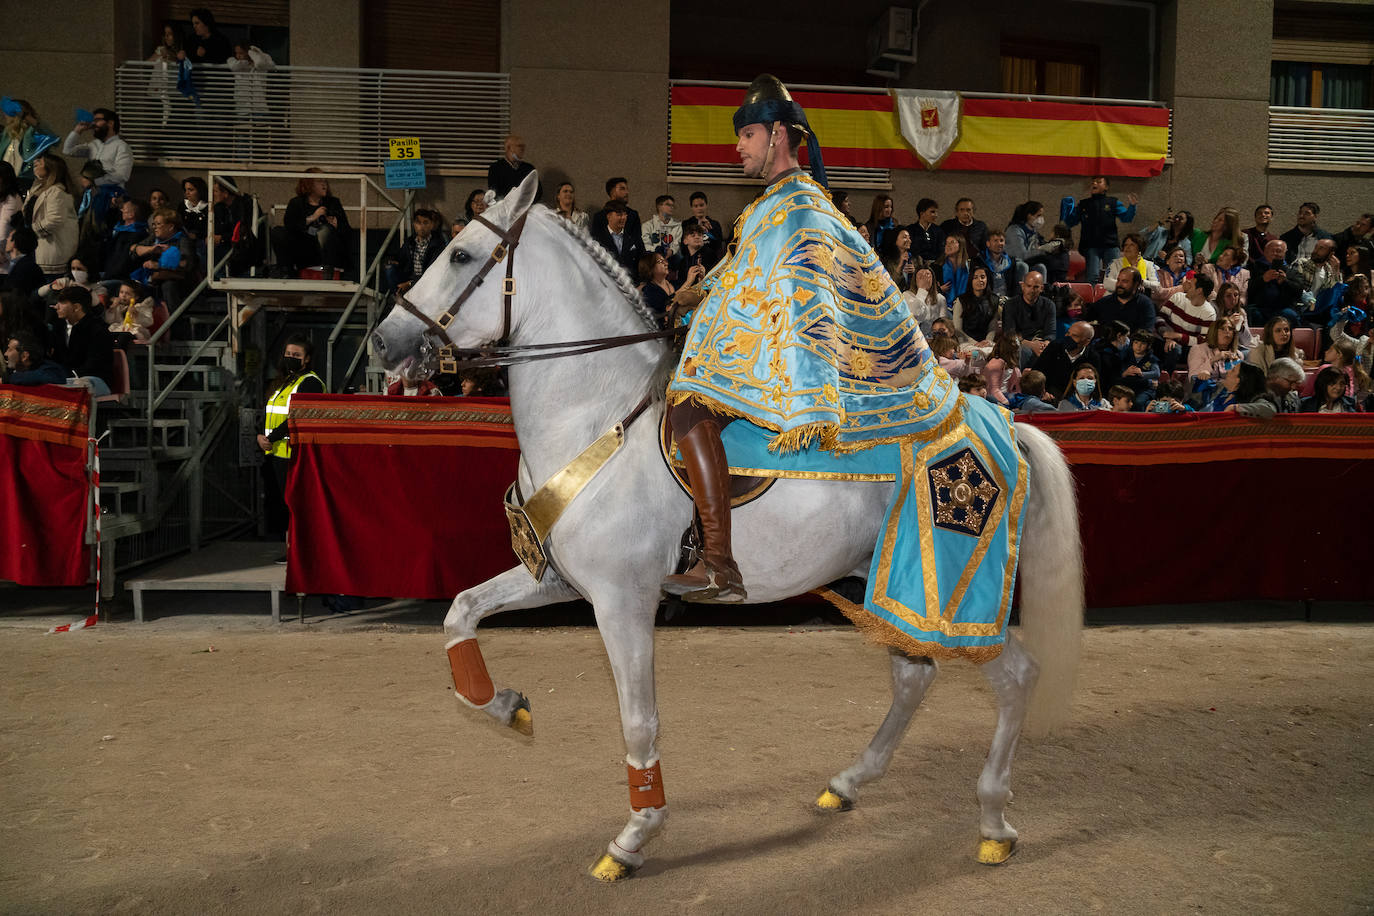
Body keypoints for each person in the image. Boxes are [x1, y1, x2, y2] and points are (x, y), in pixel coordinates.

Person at [664, 74, 947, 603]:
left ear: (775, 134)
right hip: (774, 347)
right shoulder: (778, 204)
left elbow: (787, 295)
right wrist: (690, 303)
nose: (738, 146)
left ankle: (720, 565)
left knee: (687, 411)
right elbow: (744, 279)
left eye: (746, 135)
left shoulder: (796, 208)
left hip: (789, 361)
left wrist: (721, 338)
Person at [256, 333, 325, 556]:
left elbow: (299, 416)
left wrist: (272, 437)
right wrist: (260, 436)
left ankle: (301, 552)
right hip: (275, 453)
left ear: (306, 359)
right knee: (284, 507)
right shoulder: (283, 382)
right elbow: (268, 414)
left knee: (298, 506)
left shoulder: (310, 382)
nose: (290, 357)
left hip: (296, 454)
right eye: (288, 354)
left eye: (296, 355)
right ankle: (292, 550)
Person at [271, 170, 350, 276]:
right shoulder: (296, 203)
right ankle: (286, 269)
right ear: (309, 184)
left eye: (325, 181)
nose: (324, 184)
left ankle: (328, 270)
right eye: (319, 181)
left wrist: (336, 225)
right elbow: (290, 226)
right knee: (277, 231)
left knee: (325, 230)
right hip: (304, 246)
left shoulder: (332, 202)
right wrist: (312, 218)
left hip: (326, 249)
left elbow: (347, 230)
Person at [1063, 176, 1138, 283]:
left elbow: (1126, 218)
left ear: (1106, 187)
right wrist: (1067, 209)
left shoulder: (1113, 202)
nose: (1095, 184)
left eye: (1099, 182)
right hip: (1091, 245)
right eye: (1093, 182)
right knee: (1093, 276)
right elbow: (1071, 222)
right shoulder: (1084, 204)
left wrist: (1132, 206)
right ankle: (1092, 299)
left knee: (1113, 276)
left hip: (1110, 245)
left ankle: (1113, 298)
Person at [48, 285, 114, 396]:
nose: (56, 307)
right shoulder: (59, 327)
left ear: (76, 307)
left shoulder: (98, 329)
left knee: (76, 385)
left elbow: (95, 364)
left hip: (94, 379)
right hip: (66, 378)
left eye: (62, 303)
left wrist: (68, 375)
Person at [132, 207, 198, 311]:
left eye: (158, 224)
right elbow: (133, 250)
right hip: (155, 280)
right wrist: (151, 249)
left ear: (170, 226)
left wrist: (158, 265)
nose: (155, 228)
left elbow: (186, 264)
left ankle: (173, 322)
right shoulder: (154, 238)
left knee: (169, 285)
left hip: (180, 283)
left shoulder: (183, 240)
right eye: (154, 224)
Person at [24, 151, 79, 278]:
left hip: (52, 250)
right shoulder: (37, 189)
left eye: (40, 162)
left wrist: (32, 231)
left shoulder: (57, 192)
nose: (35, 164)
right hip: (36, 248)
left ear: (51, 168)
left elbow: (54, 220)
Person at [61, 108, 132, 189]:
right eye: (93, 120)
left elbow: (122, 175)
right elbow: (68, 150)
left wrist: (94, 182)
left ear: (110, 123)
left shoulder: (122, 146)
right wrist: (78, 130)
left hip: (111, 196)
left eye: (97, 120)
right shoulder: (93, 144)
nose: (93, 124)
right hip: (91, 193)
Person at [0, 97, 59, 191]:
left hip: (27, 183)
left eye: (9, 112)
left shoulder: (33, 132)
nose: (4, 115)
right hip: (5, 184)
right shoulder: (6, 135)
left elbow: (55, 140)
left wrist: (27, 117)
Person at [1032, 320, 1098, 400]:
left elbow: (1096, 384)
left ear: (1086, 342)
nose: (1068, 337)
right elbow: (1038, 372)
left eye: (1074, 336)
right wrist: (1043, 392)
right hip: (1050, 395)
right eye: (1068, 333)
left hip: (1078, 397)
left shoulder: (1093, 357)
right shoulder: (1054, 347)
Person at [1246, 238, 1303, 327]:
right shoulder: (1253, 267)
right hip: (1259, 307)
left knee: (1290, 315)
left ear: (1284, 253)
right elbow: (1247, 289)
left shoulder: (1291, 270)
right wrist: (1263, 279)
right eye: (1272, 251)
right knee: (1254, 314)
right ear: (1265, 252)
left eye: (1279, 251)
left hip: (1283, 307)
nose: (1275, 254)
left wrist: (1285, 282)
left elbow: (1299, 291)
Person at [1188, 318, 1244, 404]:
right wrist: (1213, 360)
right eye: (1222, 329)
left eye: (1230, 329)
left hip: (1230, 398)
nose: (1227, 332)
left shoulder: (1238, 355)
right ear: (1214, 332)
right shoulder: (1198, 349)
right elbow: (1192, 377)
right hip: (1204, 398)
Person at [390, 208, 443, 294]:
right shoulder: (410, 242)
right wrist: (394, 262)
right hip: (410, 278)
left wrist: (411, 283)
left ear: (431, 225)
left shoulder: (437, 245)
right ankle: (396, 297)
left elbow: (433, 273)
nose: (421, 226)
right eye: (418, 223)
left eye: (425, 222)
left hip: (427, 281)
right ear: (414, 224)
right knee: (390, 269)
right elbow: (400, 259)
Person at [1290, 237, 1342, 325]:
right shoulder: (1301, 263)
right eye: (1316, 247)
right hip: (1300, 306)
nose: (1315, 251)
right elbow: (1295, 286)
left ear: (1330, 254)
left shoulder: (1329, 270)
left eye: (1321, 248)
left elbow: (1337, 293)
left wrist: (1336, 271)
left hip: (1319, 310)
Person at [1231, 358, 1303, 417]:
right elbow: (1269, 409)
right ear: (1275, 377)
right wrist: (1235, 408)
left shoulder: (1292, 397)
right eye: (1291, 382)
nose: (1294, 387)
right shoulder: (1256, 391)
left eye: (1296, 383)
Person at [589, 199, 645, 274]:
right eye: (619, 215)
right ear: (609, 216)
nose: (623, 218)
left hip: (632, 282)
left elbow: (642, 260)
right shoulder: (597, 238)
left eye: (625, 214)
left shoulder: (633, 237)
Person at [1005, 200, 1054, 282]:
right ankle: (1019, 293)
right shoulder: (1014, 230)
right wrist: (1042, 251)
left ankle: (1042, 292)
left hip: (1028, 262)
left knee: (1041, 267)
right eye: (1038, 215)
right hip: (1013, 264)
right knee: (1023, 266)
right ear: (1029, 215)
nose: (1041, 219)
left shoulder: (1033, 231)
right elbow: (1021, 255)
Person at [1096, 266, 1156, 333]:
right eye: (1118, 280)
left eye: (1125, 281)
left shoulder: (1145, 304)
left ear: (1136, 284)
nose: (1119, 284)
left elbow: (1146, 331)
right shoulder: (1104, 302)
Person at [1002, 270, 1055, 344]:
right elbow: (1009, 333)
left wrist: (1045, 345)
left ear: (1042, 288)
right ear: (1022, 286)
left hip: (1041, 344)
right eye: (1029, 286)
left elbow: (1050, 333)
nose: (1032, 290)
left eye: (1036, 287)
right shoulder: (1011, 304)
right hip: (1019, 344)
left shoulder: (1049, 305)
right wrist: (1031, 345)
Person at [953, 263, 1000, 346]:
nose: (980, 280)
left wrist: (987, 341)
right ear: (971, 280)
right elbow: (957, 329)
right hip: (965, 342)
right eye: (975, 278)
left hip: (986, 343)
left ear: (987, 279)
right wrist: (975, 343)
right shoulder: (961, 300)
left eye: (983, 277)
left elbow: (992, 327)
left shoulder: (994, 300)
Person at [589, 177, 642, 246]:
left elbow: (638, 243)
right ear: (612, 191)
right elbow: (596, 243)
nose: (627, 192)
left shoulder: (633, 215)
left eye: (627, 189)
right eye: (622, 189)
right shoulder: (599, 216)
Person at [1117, 329, 1161, 408]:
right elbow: (1117, 371)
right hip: (1128, 387)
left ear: (1148, 345)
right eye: (1136, 342)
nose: (1138, 346)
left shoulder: (1151, 358)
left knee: (1138, 402)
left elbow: (1156, 373)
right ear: (1132, 343)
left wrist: (1142, 373)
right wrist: (1124, 373)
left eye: (1143, 343)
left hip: (1145, 389)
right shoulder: (1125, 355)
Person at [486, 134, 539, 200]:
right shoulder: (496, 168)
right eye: (519, 146)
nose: (523, 149)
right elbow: (493, 191)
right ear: (508, 148)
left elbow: (538, 191)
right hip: (504, 207)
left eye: (524, 146)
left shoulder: (529, 168)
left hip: (525, 207)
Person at [636, 252, 677, 327]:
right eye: (660, 262)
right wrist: (688, 282)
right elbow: (668, 306)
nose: (666, 263)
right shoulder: (649, 290)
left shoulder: (673, 284)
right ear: (650, 268)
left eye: (664, 260)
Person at [982, 332, 1022, 407]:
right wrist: (1007, 403)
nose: (1018, 351)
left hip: (1007, 395)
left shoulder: (1010, 364)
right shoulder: (996, 364)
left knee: (1027, 399)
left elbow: (1016, 389)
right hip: (995, 399)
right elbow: (993, 389)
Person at [904, 265, 945, 334]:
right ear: (915, 280)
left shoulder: (940, 298)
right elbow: (915, 314)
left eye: (927, 275)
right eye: (920, 276)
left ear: (933, 280)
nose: (924, 278)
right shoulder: (907, 295)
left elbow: (944, 323)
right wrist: (922, 289)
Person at [686, 191, 726, 263]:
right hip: (692, 258)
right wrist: (698, 227)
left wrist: (709, 231)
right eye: (696, 206)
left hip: (711, 258)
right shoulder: (686, 224)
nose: (699, 208)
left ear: (706, 205)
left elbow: (718, 246)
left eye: (701, 205)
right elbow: (684, 245)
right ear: (692, 208)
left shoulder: (714, 224)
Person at [977, 229, 1017, 298]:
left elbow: (1013, 285)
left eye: (1001, 240)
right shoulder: (980, 261)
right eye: (995, 240)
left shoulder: (1011, 261)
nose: (999, 244)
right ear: (988, 244)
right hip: (987, 299)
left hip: (1006, 299)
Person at [3, 228, 43, 298]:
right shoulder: (21, 263)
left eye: (9, 237)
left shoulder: (26, 267)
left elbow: (15, 293)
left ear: (14, 243)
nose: (7, 239)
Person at [642, 195, 682, 259]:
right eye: (668, 204)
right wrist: (658, 251)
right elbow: (646, 244)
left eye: (672, 205)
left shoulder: (677, 226)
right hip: (652, 256)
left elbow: (677, 244)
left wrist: (671, 251)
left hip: (672, 258)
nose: (671, 207)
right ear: (659, 206)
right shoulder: (647, 225)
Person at [905, 197, 943, 264]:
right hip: (915, 265)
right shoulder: (910, 230)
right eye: (932, 212)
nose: (936, 215)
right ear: (922, 213)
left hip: (935, 265)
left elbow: (941, 250)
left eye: (936, 212)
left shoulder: (938, 230)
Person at [937, 233, 970, 300]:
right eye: (946, 243)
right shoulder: (936, 267)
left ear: (961, 245)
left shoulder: (969, 267)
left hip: (965, 303)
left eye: (952, 242)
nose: (948, 245)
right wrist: (939, 289)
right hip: (942, 304)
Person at [181, 176, 210, 243]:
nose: (187, 193)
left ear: (200, 190)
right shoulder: (183, 206)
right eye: (185, 190)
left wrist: (197, 236)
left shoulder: (207, 208)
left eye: (190, 190)